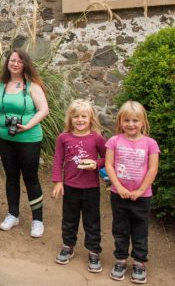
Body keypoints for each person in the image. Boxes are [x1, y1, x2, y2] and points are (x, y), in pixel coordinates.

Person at [0, 48, 49, 238]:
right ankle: (13, 214)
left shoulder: (33, 86)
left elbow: (43, 110)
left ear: (25, 63)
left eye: (19, 61)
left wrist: (27, 125)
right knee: (11, 177)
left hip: (28, 139)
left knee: (31, 178)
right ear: (7, 63)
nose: (15, 64)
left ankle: (37, 220)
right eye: (12, 60)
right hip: (6, 139)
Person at [105, 101, 159, 284]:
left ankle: (139, 262)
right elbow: (108, 165)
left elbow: (152, 169)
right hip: (118, 195)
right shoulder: (114, 141)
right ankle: (120, 260)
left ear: (143, 122)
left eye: (135, 120)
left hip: (142, 197)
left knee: (140, 230)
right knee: (120, 229)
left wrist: (140, 190)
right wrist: (119, 187)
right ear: (120, 121)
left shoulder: (150, 144)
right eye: (126, 120)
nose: (131, 124)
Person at [51, 99, 106, 273]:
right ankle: (68, 246)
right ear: (70, 118)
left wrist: (96, 164)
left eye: (84, 116)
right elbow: (58, 160)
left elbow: (107, 159)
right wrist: (58, 182)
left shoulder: (96, 138)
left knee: (92, 221)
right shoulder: (63, 137)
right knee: (69, 219)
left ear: (91, 118)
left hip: (91, 187)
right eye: (76, 116)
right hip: (70, 186)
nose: (80, 120)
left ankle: (94, 251)